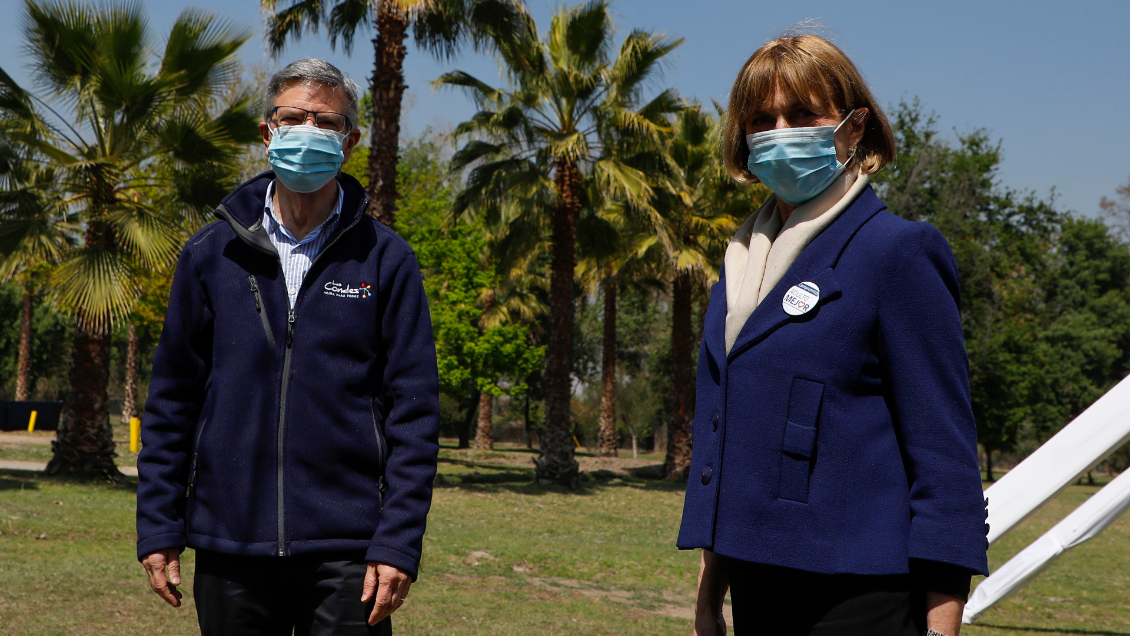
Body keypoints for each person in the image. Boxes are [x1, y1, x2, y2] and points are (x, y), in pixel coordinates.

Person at [678, 34, 989, 636]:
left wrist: (942, 623)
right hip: (757, 585)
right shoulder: (741, 266)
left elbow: (944, 457)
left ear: (854, 128)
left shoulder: (897, 252)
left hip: (859, 594)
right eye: (762, 119)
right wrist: (709, 590)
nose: (780, 131)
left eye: (802, 114)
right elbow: (728, 435)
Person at [135, 58, 440, 636]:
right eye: (293, 117)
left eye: (326, 121)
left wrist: (398, 541)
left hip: (350, 552)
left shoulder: (387, 260)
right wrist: (158, 525)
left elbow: (416, 413)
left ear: (349, 142)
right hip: (229, 543)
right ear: (266, 131)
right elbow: (172, 402)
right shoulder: (210, 254)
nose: (308, 130)